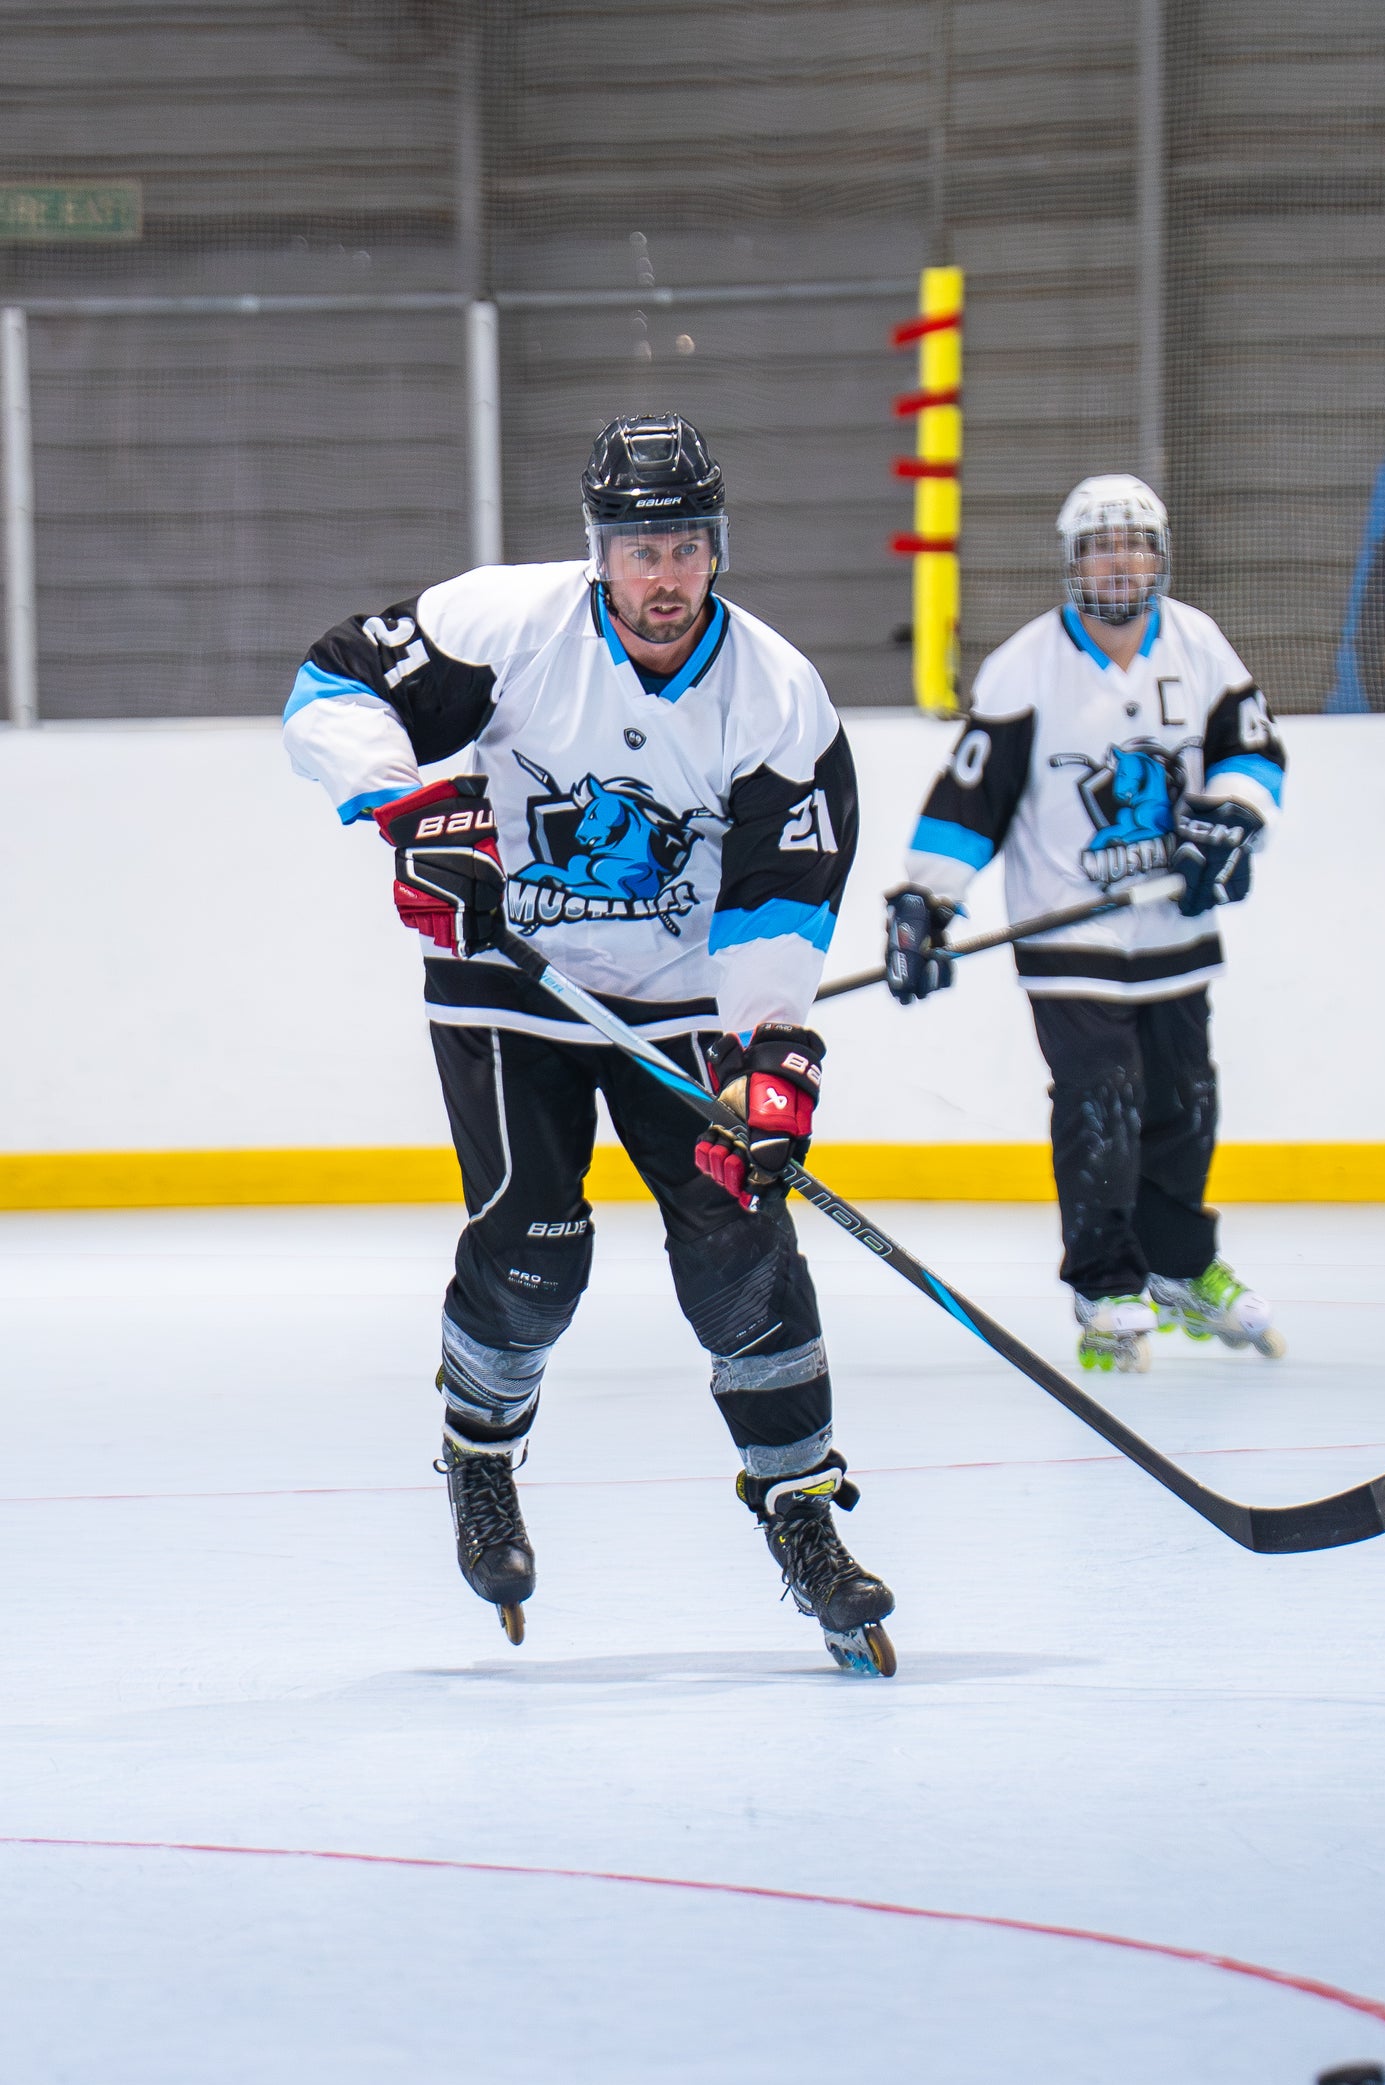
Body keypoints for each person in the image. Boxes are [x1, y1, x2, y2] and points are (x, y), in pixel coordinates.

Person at [282, 413, 896, 1673]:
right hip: (512, 990)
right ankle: (481, 1452)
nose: (661, 575)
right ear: (597, 551)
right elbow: (331, 687)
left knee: (740, 1252)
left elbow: (778, 900)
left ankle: (801, 1509)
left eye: (683, 545)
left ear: (715, 550)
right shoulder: (510, 626)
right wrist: (409, 809)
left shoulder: (774, 695)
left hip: (676, 1001)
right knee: (530, 1258)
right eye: (637, 547)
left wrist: (771, 1065)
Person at [886, 475, 1287, 1374]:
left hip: (1170, 927)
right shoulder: (1025, 665)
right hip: (1066, 928)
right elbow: (969, 799)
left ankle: (1180, 1264)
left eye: (1133, 542)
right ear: (1073, 563)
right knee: (1101, 1100)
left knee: (1184, 1102)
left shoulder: (1199, 644)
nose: (1117, 559)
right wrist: (927, 899)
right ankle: (1106, 1282)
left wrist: (1232, 813)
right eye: (1099, 546)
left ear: (1157, 555)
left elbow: (1252, 753)